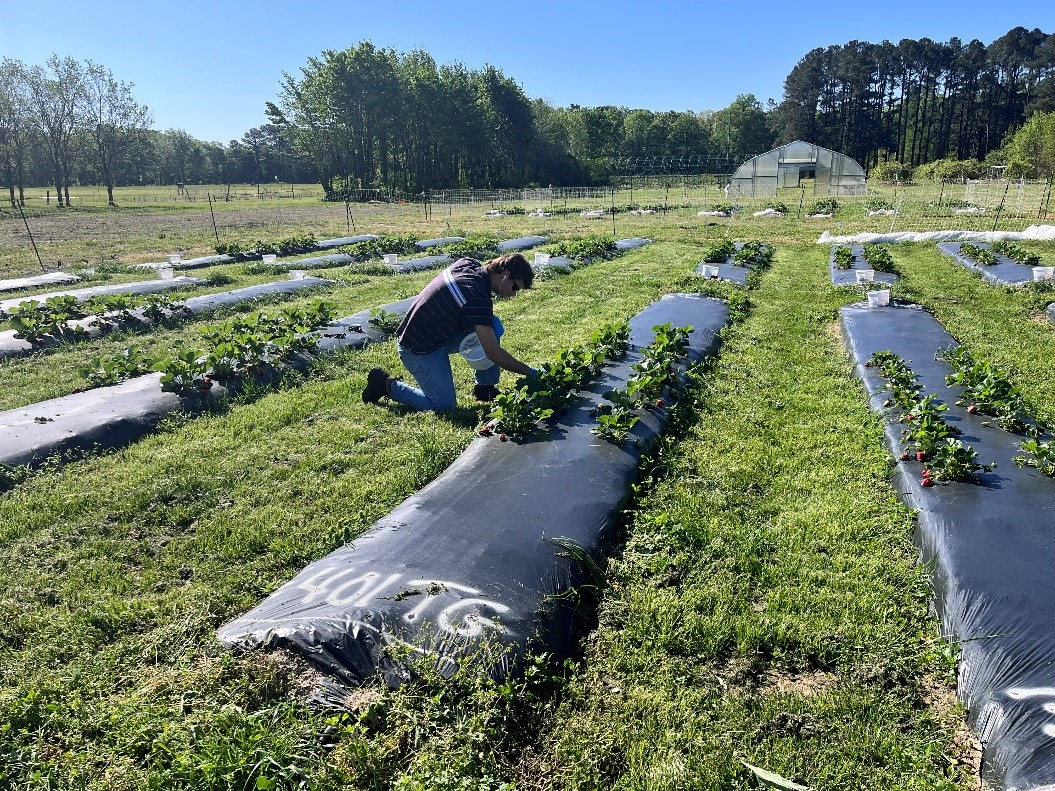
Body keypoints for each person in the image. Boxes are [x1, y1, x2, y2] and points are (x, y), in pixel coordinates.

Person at [362, 252, 536, 411]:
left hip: (432, 333)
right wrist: (529, 372)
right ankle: (386, 385)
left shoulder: (469, 264)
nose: (513, 295)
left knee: (492, 325)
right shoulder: (476, 296)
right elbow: (493, 353)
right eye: (515, 288)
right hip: (417, 348)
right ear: (505, 275)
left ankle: (485, 387)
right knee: (443, 406)